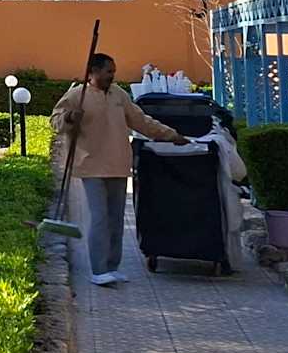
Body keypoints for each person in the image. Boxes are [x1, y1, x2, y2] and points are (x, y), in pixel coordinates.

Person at [51, 52, 189, 286]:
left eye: (113, 71)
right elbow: (55, 122)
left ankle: (112, 266)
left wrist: (170, 135)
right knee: (99, 217)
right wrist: (70, 117)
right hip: (90, 165)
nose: (112, 76)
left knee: (115, 218)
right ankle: (98, 269)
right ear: (93, 72)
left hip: (118, 162)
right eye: (108, 71)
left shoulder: (119, 95)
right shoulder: (77, 95)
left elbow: (141, 120)